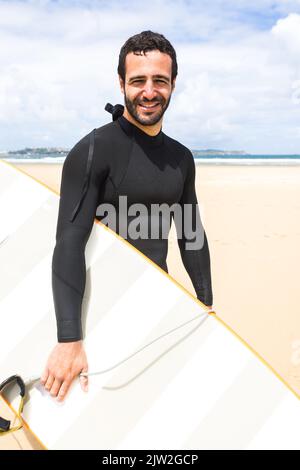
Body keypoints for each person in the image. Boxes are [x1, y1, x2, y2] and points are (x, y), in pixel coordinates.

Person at [41, 30, 214, 402]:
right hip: (98, 312)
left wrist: (206, 303)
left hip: (157, 304)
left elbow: (190, 235)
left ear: (173, 85)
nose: (149, 92)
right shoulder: (93, 151)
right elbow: (68, 243)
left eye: (159, 81)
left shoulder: (181, 158)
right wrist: (69, 338)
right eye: (138, 81)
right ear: (122, 83)